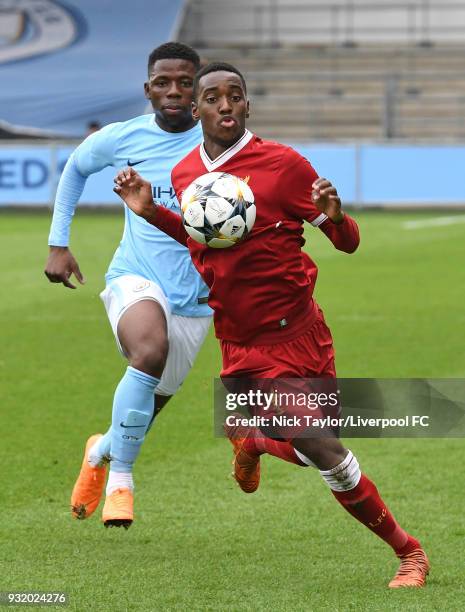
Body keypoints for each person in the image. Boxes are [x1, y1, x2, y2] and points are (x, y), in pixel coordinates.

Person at [113, 61, 429, 587]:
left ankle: (256, 443)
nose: (225, 105)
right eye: (213, 97)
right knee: (320, 447)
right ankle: (410, 552)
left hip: (297, 334)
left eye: (235, 96)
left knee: (318, 451)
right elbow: (202, 237)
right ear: (197, 110)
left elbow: (347, 242)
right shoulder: (185, 172)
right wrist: (150, 211)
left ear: (248, 104)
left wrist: (335, 215)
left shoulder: (284, 165)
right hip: (236, 339)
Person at [44, 42, 212, 529]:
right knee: (149, 350)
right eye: (164, 82)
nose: (175, 91)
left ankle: (99, 451)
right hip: (136, 276)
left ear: (199, 90)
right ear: (148, 89)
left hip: (198, 299)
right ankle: (121, 481)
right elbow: (75, 168)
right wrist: (59, 243)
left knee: (146, 409)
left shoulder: (223, 142)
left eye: (185, 82)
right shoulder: (123, 137)